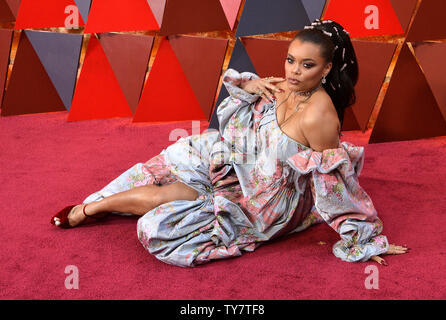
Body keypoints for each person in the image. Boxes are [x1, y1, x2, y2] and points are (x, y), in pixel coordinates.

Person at [51, 19, 408, 267]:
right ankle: (91, 207)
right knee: (182, 155)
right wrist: (250, 86)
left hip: (268, 202)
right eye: (290, 60)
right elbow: (242, 100)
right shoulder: (285, 86)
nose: (293, 72)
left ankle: (95, 209)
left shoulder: (320, 115)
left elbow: (333, 185)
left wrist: (361, 239)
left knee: (156, 226)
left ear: (327, 69)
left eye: (307, 65)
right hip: (243, 163)